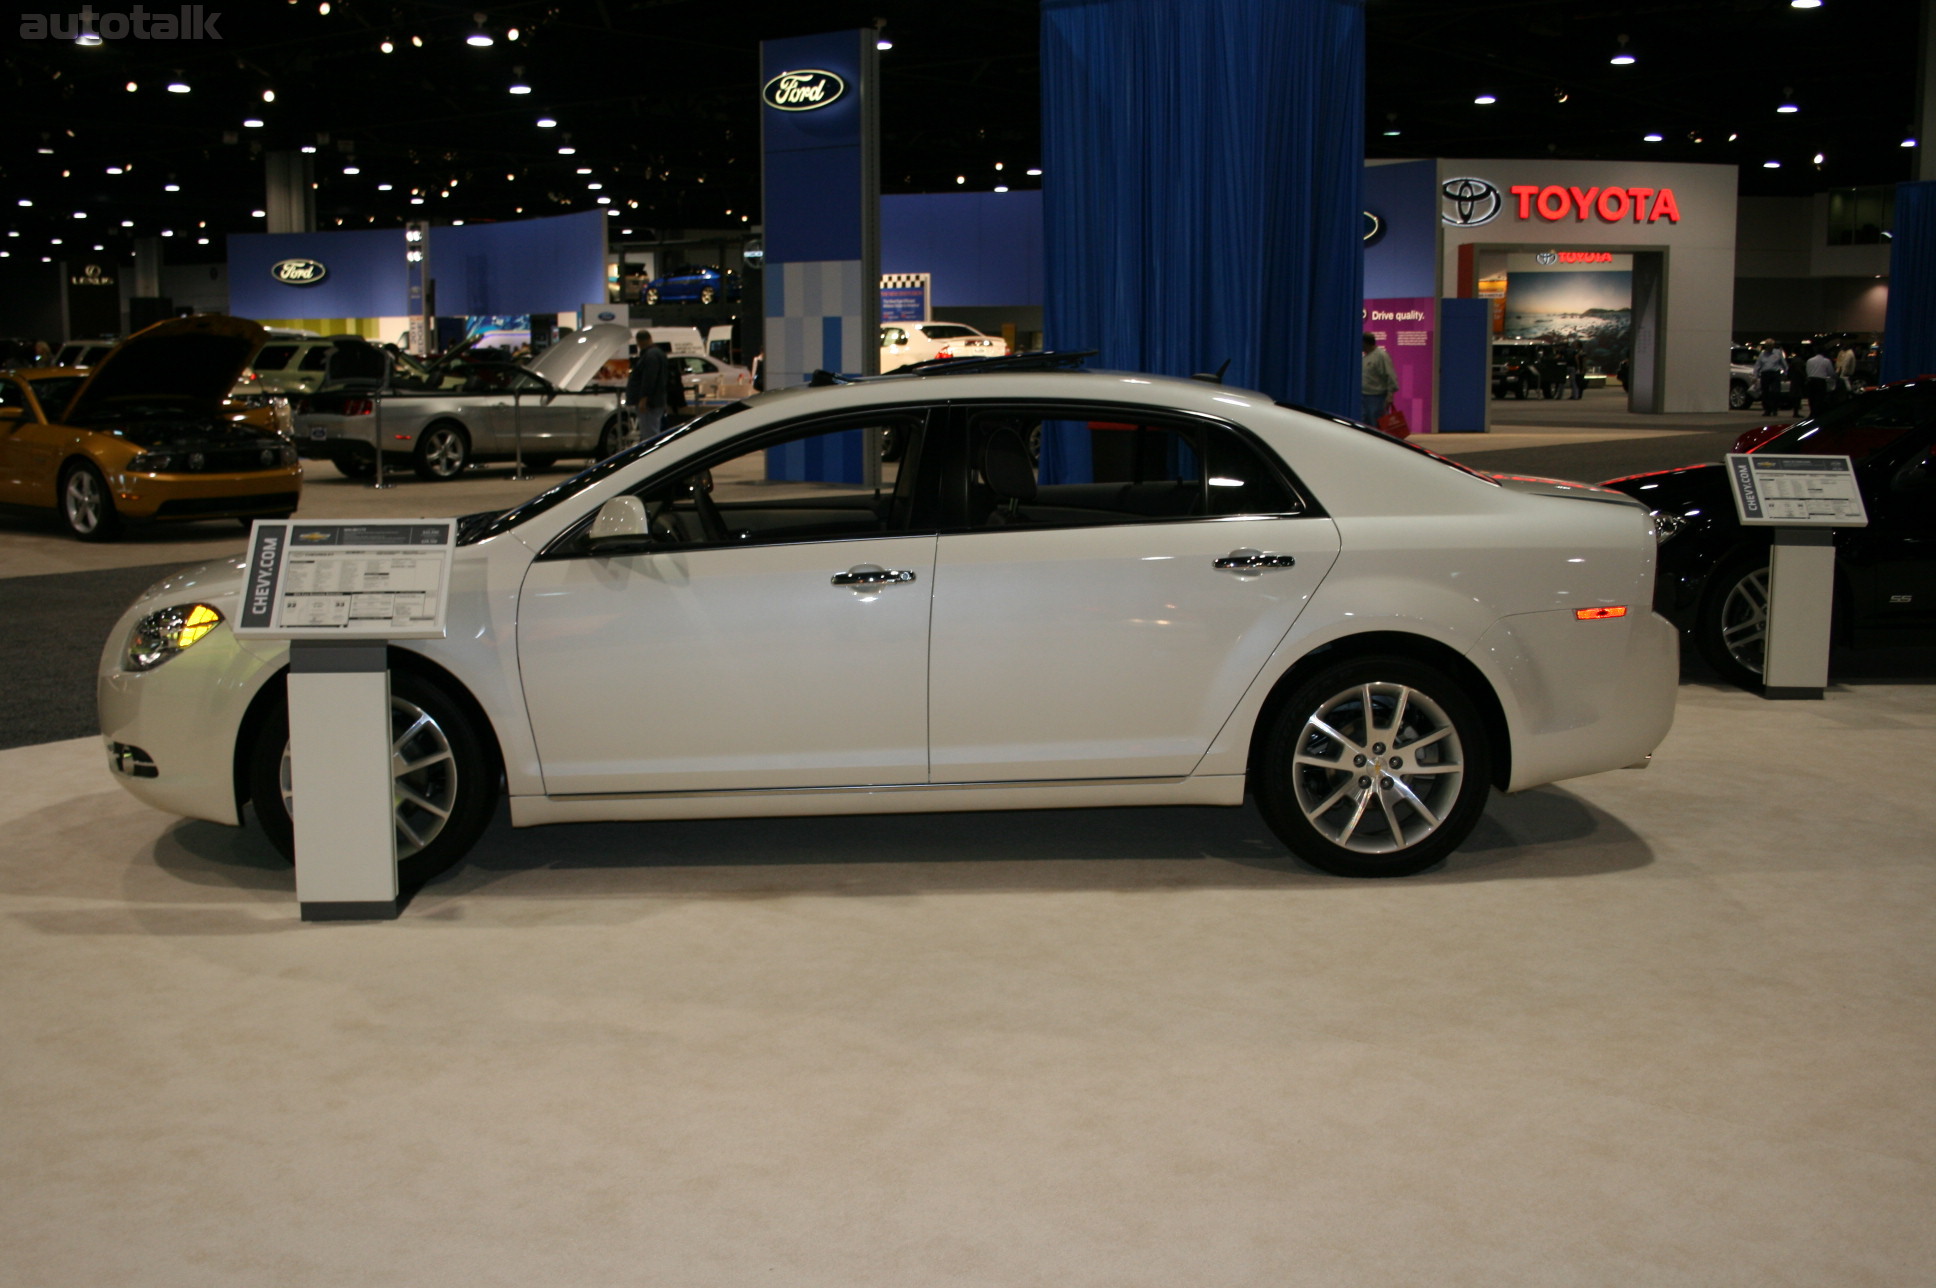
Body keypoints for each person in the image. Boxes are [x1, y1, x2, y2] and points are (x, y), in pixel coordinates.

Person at [625, 333, 671, 441]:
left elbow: (649, 378)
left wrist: (643, 398)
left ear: (639, 342)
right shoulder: (657, 353)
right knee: (652, 430)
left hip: (650, 403)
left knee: (650, 434)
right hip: (655, 400)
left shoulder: (650, 356)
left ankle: (653, 455)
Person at [1360, 332, 1397, 425]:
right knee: (1365, 424)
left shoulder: (1381, 355)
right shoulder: (1365, 357)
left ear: (1365, 343)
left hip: (1377, 398)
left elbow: (1390, 375)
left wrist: (1390, 395)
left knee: (1376, 424)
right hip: (1363, 397)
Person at [1752, 341, 1787, 414]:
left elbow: (1783, 363)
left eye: (1771, 346)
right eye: (1768, 346)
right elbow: (1757, 366)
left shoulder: (1777, 352)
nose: (1770, 347)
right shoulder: (1762, 354)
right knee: (1765, 392)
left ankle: (1775, 408)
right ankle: (1767, 409)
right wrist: (1755, 376)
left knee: (1776, 391)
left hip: (1775, 373)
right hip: (1765, 374)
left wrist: (1786, 373)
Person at [1804, 345, 1835, 418]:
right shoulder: (1826, 361)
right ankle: (1818, 413)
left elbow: (1807, 371)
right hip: (1820, 381)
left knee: (1811, 398)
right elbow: (1831, 373)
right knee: (1819, 398)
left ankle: (1812, 412)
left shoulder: (1809, 360)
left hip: (1811, 380)